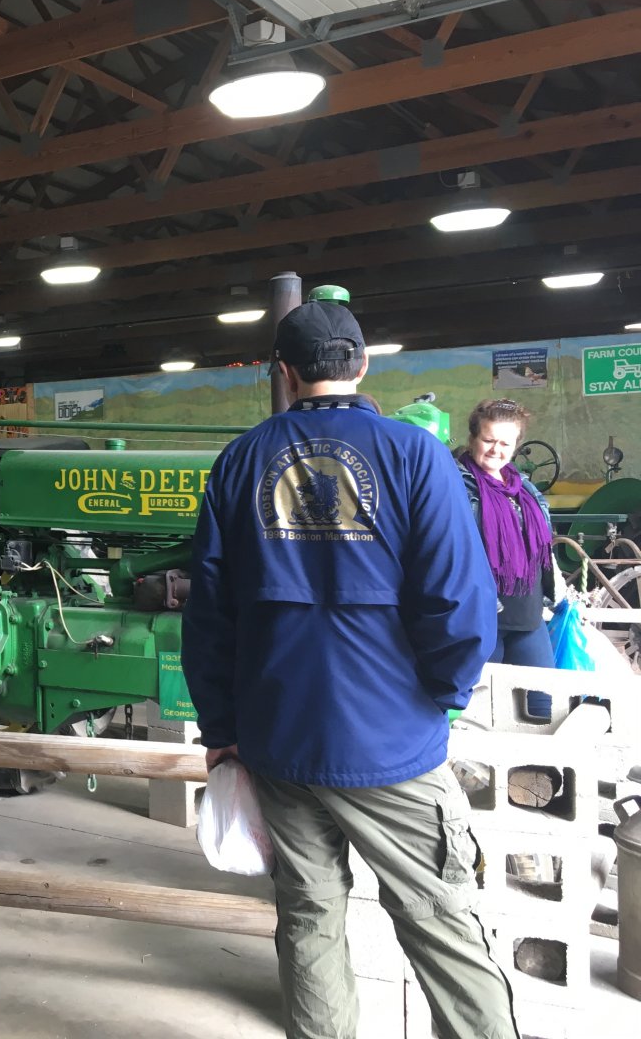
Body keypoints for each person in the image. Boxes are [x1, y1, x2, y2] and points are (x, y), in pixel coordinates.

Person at [182, 300, 517, 1039]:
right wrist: (443, 697)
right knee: (441, 920)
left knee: (307, 915)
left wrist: (222, 729)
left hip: (278, 740)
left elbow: (209, 615)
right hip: (391, 741)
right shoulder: (414, 453)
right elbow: (461, 600)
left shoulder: (240, 460)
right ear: (364, 363)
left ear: (284, 372)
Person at [456, 400, 556, 676]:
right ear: (473, 439)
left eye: (505, 444)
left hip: (528, 615)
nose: (495, 450)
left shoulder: (526, 488)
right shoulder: (453, 485)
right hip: (478, 617)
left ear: (515, 446)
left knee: (543, 697)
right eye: (488, 440)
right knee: (479, 700)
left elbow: (543, 548)